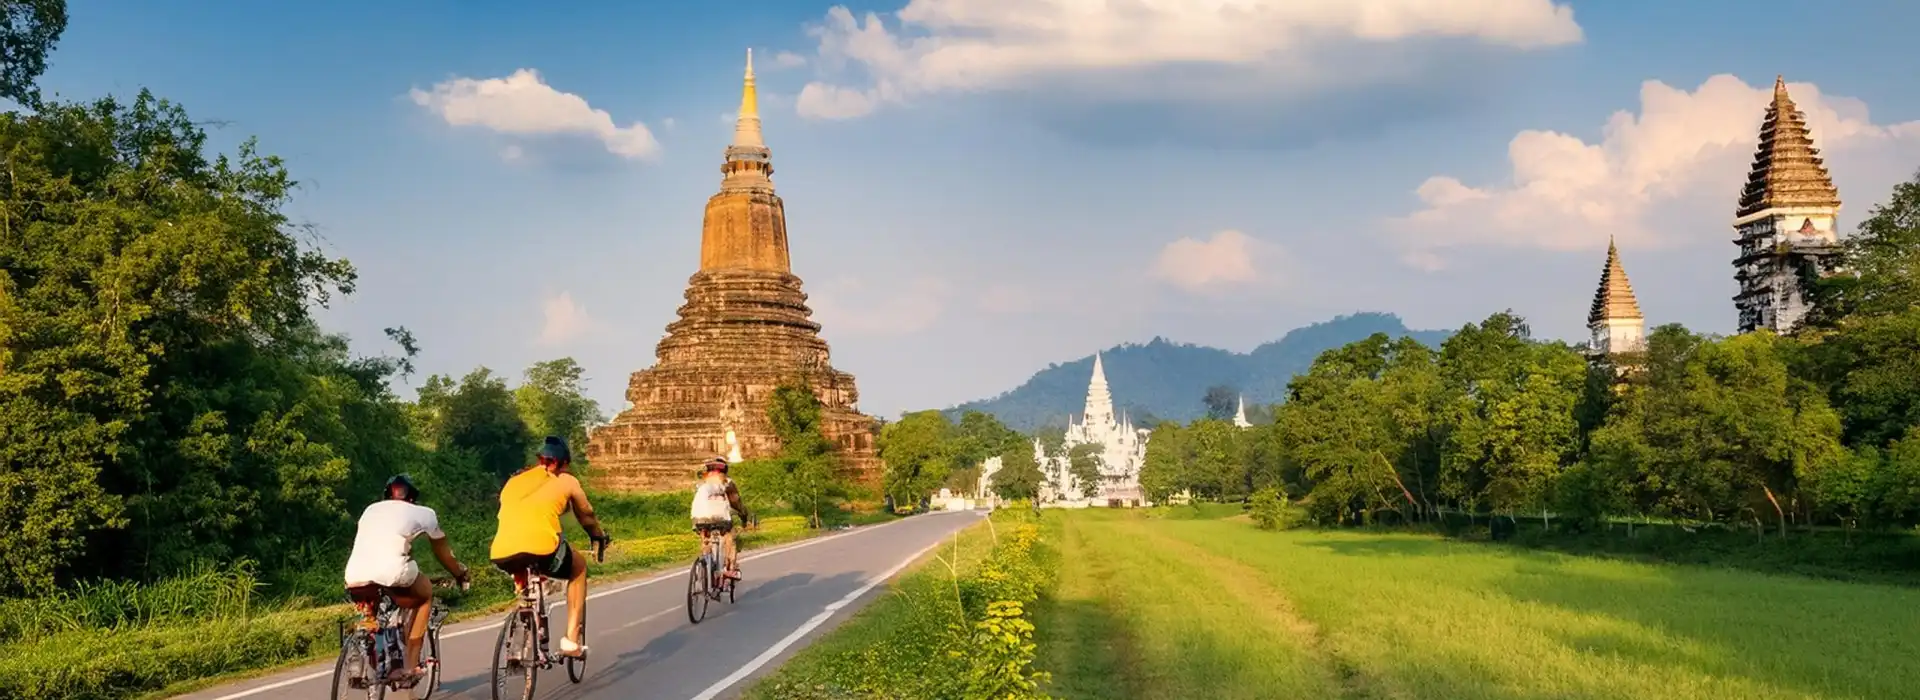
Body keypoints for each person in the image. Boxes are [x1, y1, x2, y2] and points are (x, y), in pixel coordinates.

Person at [342, 475, 471, 687]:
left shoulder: (370, 510)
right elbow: (443, 554)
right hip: (393, 573)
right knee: (424, 596)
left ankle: (369, 646)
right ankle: (410, 665)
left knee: (371, 613)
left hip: (355, 574)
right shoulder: (424, 513)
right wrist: (459, 573)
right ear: (412, 497)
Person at [490, 436, 610, 658]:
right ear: (562, 463)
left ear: (540, 460)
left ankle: (525, 602)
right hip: (542, 548)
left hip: (500, 551)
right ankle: (572, 640)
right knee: (579, 567)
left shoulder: (513, 482)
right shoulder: (567, 481)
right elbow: (588, 517)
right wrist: (598, 537)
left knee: (523, 563)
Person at [690, 456, 750, 580]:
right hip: (720, 517)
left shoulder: (701, 483)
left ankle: (705, 561)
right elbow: (735, 502)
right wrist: (743, 515)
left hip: (698, 516)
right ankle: (729, 568)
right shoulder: (727, 482)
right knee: (729, 537)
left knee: (705, 538)